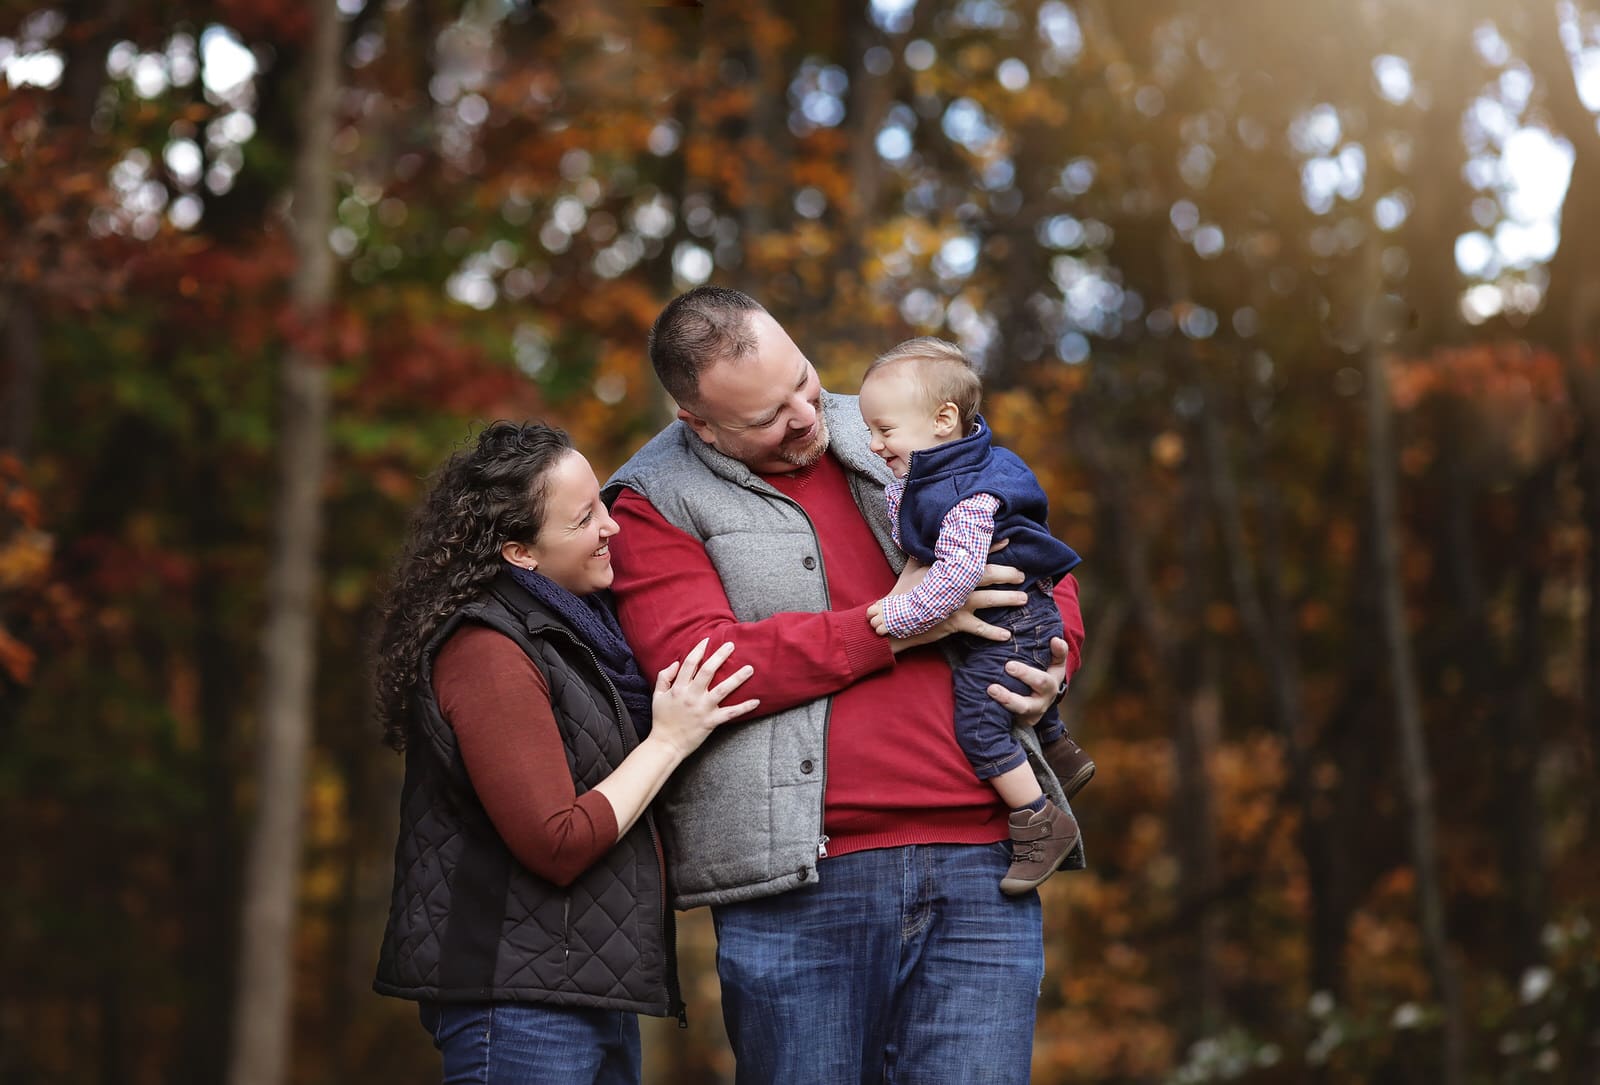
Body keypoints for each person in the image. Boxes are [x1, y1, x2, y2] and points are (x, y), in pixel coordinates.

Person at [602, 286, 1087, 1084]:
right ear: (700, 424)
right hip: (803, 889)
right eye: (766, 416)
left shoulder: (898, 418)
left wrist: (1058, 653)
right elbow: (701, 665)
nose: (805, 414)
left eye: (803, 379)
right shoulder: (653, 499)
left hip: (982, 864)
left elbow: (1029, 541)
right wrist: (886, 624)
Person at [370, 421, 759, 1085]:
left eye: (601, 503)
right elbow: (557, 841)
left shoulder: (581, 634)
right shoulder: (488, 651)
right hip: (516, 1005)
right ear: (521, 551)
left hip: (581, 991)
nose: (610, 527)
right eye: (584, 518)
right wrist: (668, 739)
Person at [859, 336, 1096, 894]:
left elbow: (957, 580)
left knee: (980, 722)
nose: (872, 445)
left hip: (1011, 623)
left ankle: (1041, 821)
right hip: (1030, 616)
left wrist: (897, 615)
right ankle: (1059, 749)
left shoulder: (967, 497)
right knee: (1014, 687)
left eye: (884, 431)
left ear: (943, 419)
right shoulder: (956, 463)